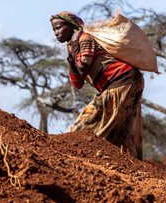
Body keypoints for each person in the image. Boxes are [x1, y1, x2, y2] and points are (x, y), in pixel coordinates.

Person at [50, 11, 144, 160]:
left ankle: (71, 152)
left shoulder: (85, 39)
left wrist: (74, 48)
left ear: (72, 26)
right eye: (54, 29)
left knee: (87, 122)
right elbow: (77, 83)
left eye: (59, 28)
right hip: (126, 80)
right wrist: (71, 57)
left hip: (123, 79)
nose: (56, 33)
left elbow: (83, 68)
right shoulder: (73, 46)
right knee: (121, 128)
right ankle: (128, 160)